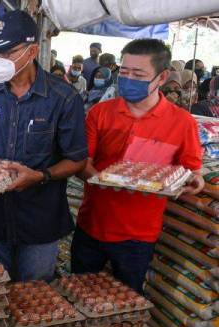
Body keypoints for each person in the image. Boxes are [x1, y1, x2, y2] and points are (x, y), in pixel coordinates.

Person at [0, 10, 88, 282]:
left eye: (7, 53)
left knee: (33, 300)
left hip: (39, 222)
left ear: (32, 51)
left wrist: (41, 176)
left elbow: (77, 159)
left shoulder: (63, 98)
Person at [72, 38, 204, 294]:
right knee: (78, 295)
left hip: (139, 234)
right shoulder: (101, 113)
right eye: (124, 72)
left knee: (126, 302)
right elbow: (82, 162)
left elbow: (191, 169)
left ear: (162, 77)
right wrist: (102, 178)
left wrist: (194, 181)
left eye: (138, 74)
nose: (129, 79)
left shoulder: (182, 122)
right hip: (93, 224)